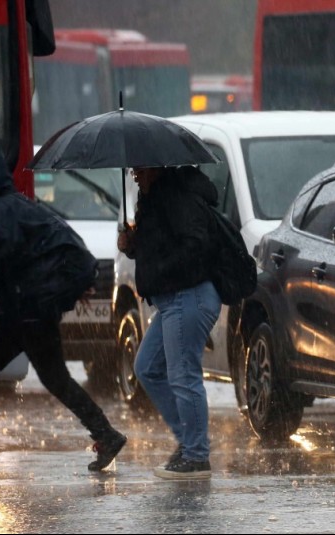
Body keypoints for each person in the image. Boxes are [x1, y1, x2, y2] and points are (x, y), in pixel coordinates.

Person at [0, 144, 126, 472]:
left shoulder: (2, 210)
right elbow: (55, 244)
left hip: (26, 311)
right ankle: (106, 434)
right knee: (52, 378)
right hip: (30, 308)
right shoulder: (16, 205)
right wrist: (73, 284)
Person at [117, 165, 221, 480]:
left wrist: (160, 271)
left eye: (140, 167)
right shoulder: (151, 198)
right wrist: (132, 243)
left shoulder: (177, 196)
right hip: (172, 300)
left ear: (158, 166)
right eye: (132, 168)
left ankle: (196, 456)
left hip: (187, 296)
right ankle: (191, 442)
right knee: (147, 367)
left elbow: (195, 245)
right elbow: (159, 244)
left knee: (183, 376)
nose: (134, 173)